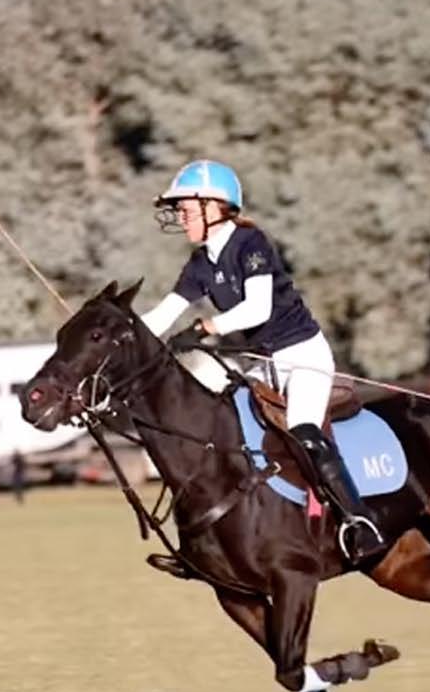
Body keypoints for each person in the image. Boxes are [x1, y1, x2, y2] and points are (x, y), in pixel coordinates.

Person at [141, 159, 386, 566]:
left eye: (185, 208)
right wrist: (118, 332)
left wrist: (204, 328)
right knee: (222, 428)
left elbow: (258, 308)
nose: (180, 217)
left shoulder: (250, 244)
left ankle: (359, 521)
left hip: (302, 354)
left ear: (214, 206)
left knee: (303, 430)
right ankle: (217, 541)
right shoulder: (201, 264)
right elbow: (163, 315)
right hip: (260, 364)